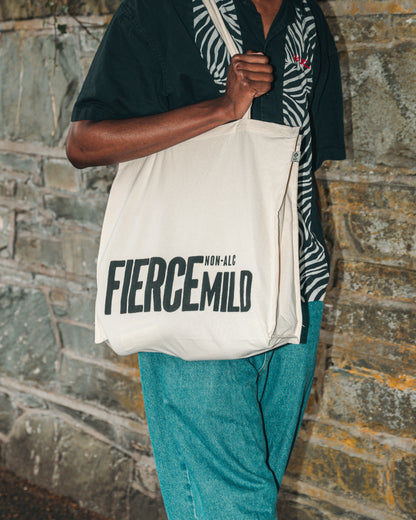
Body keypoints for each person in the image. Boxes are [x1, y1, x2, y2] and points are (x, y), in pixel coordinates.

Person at [67, 0, 345, 518]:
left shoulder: (306, 18)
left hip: (297, 290)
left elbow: (308, 162)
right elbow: (84, 142)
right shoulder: (160, 11)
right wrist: (220, 109)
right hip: (195, 286)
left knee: (248, 492)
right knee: (236, 505)